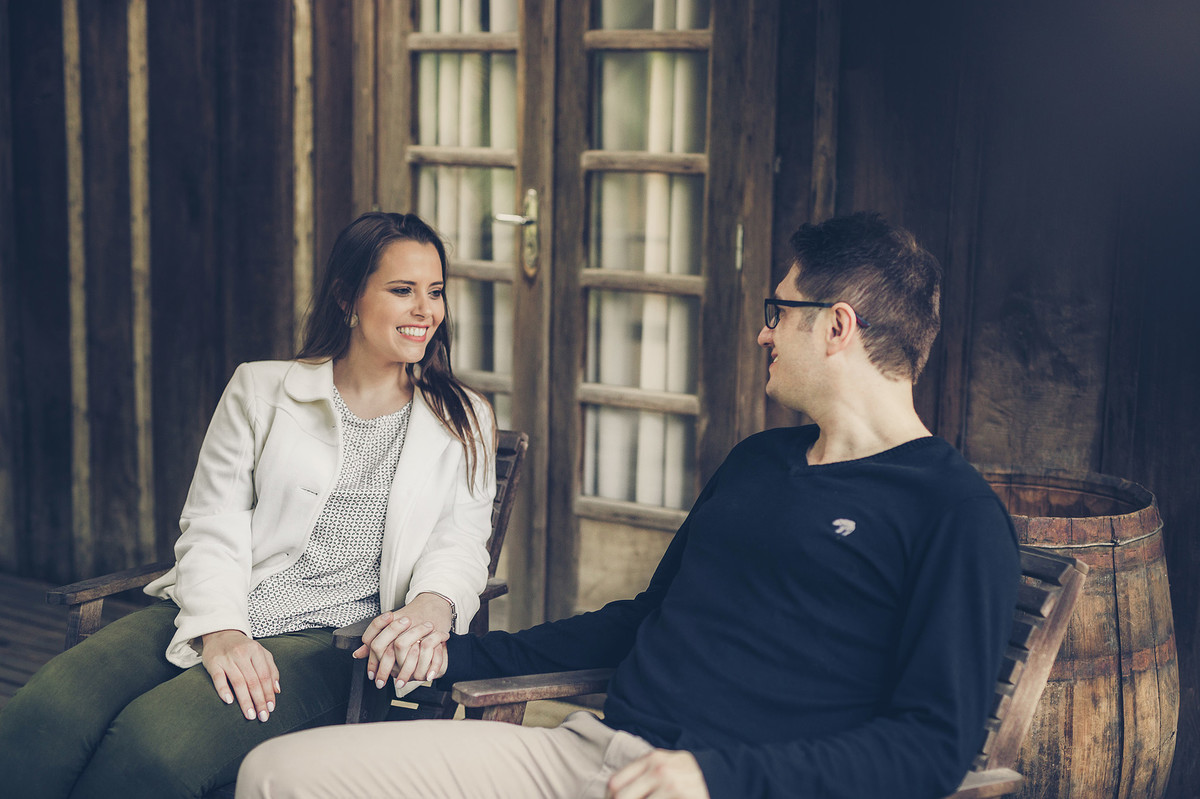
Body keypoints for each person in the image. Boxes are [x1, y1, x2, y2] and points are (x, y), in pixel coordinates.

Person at [236, 212, 1020, 799]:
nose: (762, 331)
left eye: (778, 311)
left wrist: (715, 777)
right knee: (278, 775)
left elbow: (930, 746)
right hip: (589, 756)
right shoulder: (758, 463)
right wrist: (451, 654)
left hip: (721, 787)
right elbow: (642, 622)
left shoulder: (952, 513)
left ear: (838, 326)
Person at [0, 212, 497, 799]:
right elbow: (212, 522)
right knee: (48, 708)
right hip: (218, 604)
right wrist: (223, 630)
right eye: (402, 290)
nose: (426, 310)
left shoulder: (462, 419)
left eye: (435, 291)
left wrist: (434, 608)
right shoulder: (262, 390)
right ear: (347, 296)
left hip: (333, 642)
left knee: (152, 745)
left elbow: (461, 541)